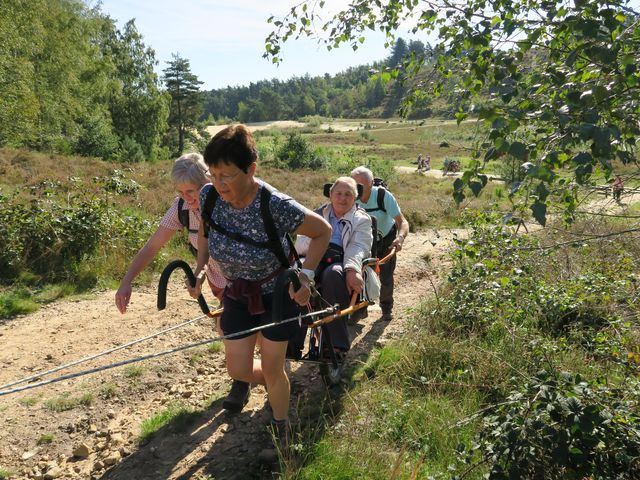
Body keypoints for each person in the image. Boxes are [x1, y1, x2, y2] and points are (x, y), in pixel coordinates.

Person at [191, 125, 331, 449]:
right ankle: (276, 382)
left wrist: (306, 277)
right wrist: (200, 269)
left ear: (251, 169)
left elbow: (322, 231)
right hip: (238, 292)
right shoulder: (208, 195)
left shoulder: (275, 203)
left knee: (271, 367)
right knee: (238, 369)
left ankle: (281, 427)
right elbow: (204, 235)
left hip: (277, 295)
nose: (218, 183)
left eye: (226, 175)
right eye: (212, 174)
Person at [114, 153, 251, 413]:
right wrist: (127, 281)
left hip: (251, 278)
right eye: (180, 191)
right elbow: (152, 246)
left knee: (238, 329)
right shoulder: (181, 208)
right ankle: (242, 380)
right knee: (228, 330)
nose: (186, 197)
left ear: (208, 183)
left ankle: (251, 381)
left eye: (191, 190)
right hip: (220, 281)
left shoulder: (231, 203)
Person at [295, 177, 373, 354]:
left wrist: (352, 269)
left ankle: (336, 345)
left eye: (348, 194)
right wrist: (318, 244)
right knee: (296, 278)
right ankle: (292, 341)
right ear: (330, 195)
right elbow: (301, 244)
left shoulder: (361, 219)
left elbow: (358, 247)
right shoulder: (316, 214)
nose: (342, 198)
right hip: (313, 256)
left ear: (355, 198)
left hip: (341, 260)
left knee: (333, 274)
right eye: (338, 193)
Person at [351, 166, 409, 322]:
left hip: (386, 239)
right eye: (353, 184)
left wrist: (400, 238)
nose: (355, 189)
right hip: (362, 241)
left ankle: (386, 308)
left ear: (371, 184)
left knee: (386, 275)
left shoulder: (383, 196)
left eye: (360, 185)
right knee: (359, 274)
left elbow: (402, 221)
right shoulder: (349, 196)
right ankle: (360, 309)